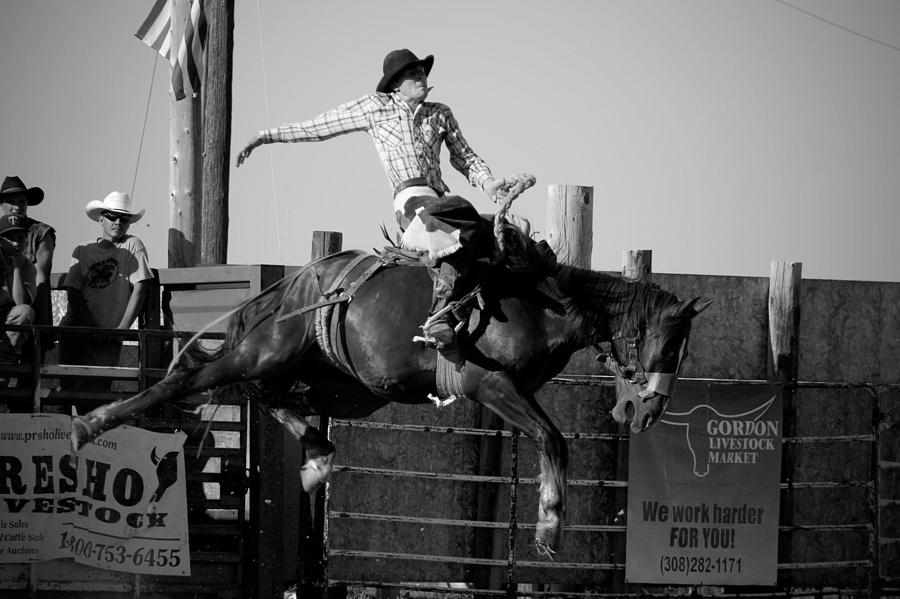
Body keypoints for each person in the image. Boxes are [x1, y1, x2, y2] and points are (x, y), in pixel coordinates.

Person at [236, 48, 515, 356]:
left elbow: (464, 156)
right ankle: (438, 315)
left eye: (422, 70)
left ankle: (469, 315)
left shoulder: (440, 112)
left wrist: (489, 184)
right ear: (395, 84)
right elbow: (319, 127)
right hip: (411, 202)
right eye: (412, 73)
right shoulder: (375, 107)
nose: (420, 75)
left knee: (491, 231)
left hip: (441, 200)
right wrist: (265, 136)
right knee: (457, 210)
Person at [59, 191, 153, 385]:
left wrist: (121, 330)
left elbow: (140, 288)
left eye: (124, 218)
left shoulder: (133, 245)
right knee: (67, 387)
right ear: (101, 219)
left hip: (108, 335)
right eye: (112, 216)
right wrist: (91, 326)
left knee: (98, 389)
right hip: (77, 330)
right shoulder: (81, 249)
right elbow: (73, 292)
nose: (118, 222)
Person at [0, 176, 55, 355]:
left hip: (30, 300)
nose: (17, 206)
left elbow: (40, 275)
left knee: (31, 364)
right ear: (2, 204)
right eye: (11, 201)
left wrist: (31, 311)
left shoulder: (41, 231)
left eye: (22, 201)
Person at [0, 214, 36, 363]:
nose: (16, 244)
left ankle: (4, 357)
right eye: (10, 238)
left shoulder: (27, 267)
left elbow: (21, 302)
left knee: (25, 312)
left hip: (9, 318)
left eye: (20, 238)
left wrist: (17, 267)